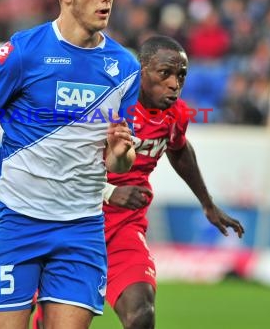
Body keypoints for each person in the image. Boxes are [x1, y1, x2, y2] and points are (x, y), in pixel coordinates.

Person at [0, 0, 140, 329]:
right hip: (18, 220)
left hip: (81, 228)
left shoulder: (125, 67)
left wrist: (120, 153)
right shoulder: (23, 51)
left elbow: (118, 162)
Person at [33, 35, 246, 329]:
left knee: (141, 315)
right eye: (165, 73)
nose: (174, 83)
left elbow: (180, 149)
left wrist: (207, 204)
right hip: (71, 220)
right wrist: (108, 192)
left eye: (181, 75)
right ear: (141, 69)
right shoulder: (103, 103)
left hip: (123, 227)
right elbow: (57, 158)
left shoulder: (175, 114)